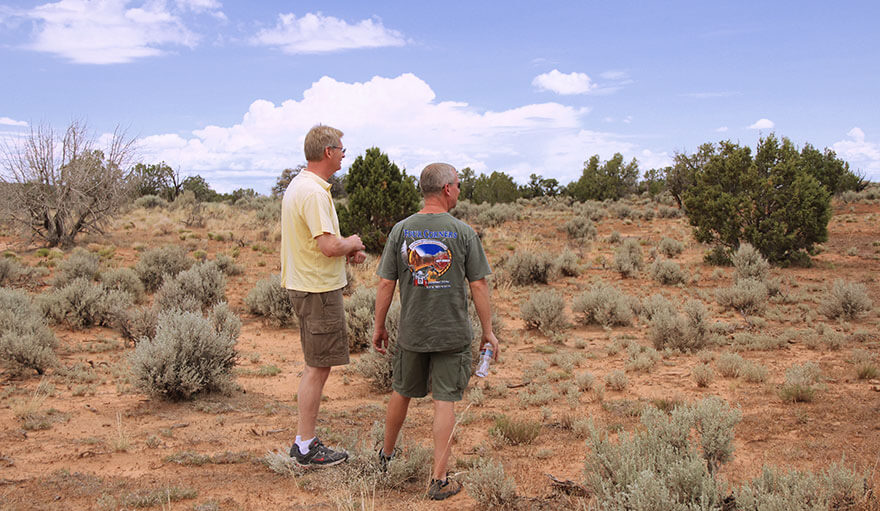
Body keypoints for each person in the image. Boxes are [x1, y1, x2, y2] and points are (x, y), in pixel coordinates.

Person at [372, 162, 500, 500]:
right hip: (451, 332)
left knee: (401, 390)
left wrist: (379, 325)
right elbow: (479, 285)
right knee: (445, 401)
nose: (459, 190)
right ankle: (438, 479)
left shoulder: (401, 231)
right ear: (446, 189)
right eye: (457, 184)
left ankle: (385, 457)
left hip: (412, 331)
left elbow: (386, 283)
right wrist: (488, 331)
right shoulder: (462, 232)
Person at [281, 124, 366, 467]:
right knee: (317, 367)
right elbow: (328, 245)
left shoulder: (303, 186)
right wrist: (352, 243)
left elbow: (318, 243)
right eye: (342, 149)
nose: (345, 154)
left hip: (309, 285)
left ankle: (305, 441)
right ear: (328, 152)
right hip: (317, 289)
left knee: (317, 365)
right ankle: (305, 446)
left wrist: (344, 250)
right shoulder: (314, 192)